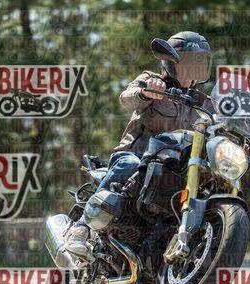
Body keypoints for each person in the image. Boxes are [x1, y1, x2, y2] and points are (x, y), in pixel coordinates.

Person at [64, 31, 214, 257]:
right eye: (189, 62)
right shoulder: (153, 80)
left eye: (199, 62)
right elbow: (126, 97)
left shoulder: (204, 103)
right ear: (171, 63)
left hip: (174, 168)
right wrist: (145, 92)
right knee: (130, 164)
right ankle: (81, 228)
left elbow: (225, 127)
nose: (194, 68)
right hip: (135, 155)